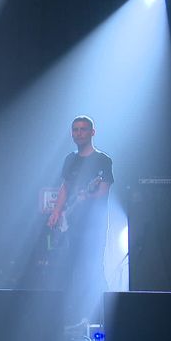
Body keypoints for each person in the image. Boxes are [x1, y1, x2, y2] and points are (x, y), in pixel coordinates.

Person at [47, 115, 114, 326]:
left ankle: (101, 315)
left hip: (94, 225)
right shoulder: (70, 159)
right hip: (73, 224)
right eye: (75, 129)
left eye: (83, 129)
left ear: (92, 132)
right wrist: (57, 211)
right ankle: (77, 316)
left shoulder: (103, 160)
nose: (79, 133)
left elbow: (103, 192)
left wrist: (89, 198)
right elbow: (65, 187)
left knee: (93, 267)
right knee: (72, 268)